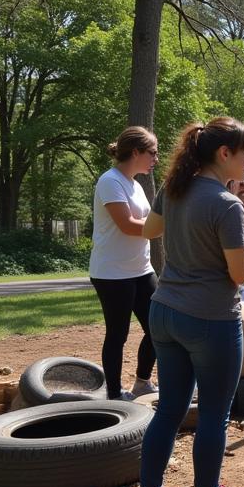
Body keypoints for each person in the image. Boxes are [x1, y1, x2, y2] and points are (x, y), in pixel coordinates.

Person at [133, 116, 244, 487]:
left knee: (168, 409)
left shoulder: (174, 188)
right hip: (209, 319)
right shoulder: (228, 206)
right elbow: (240, 275)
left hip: (164, 312)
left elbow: (151, 230)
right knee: (212, 414)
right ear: (224, 154)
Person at [89, 126, 159, 401]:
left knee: (159, 327)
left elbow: (146, 222)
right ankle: (115, 394)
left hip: (141, 269)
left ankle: (142, 381)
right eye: (152, 152)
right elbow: (128, 225)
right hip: (112, 273)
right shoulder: (110, 181)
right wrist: (169, 228)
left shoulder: (135, 184)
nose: (156, 158)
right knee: (118, 334)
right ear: (136, 152)